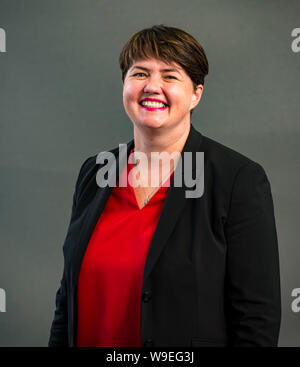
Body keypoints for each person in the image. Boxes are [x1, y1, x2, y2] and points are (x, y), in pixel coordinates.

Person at [48, 24, 281, 347]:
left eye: (170, 76)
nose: (152, 87)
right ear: (124, 85)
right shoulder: (96, 172)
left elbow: (257, 318)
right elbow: (66, 299)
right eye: (140, 73)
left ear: (196, 93)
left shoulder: (237, 179)